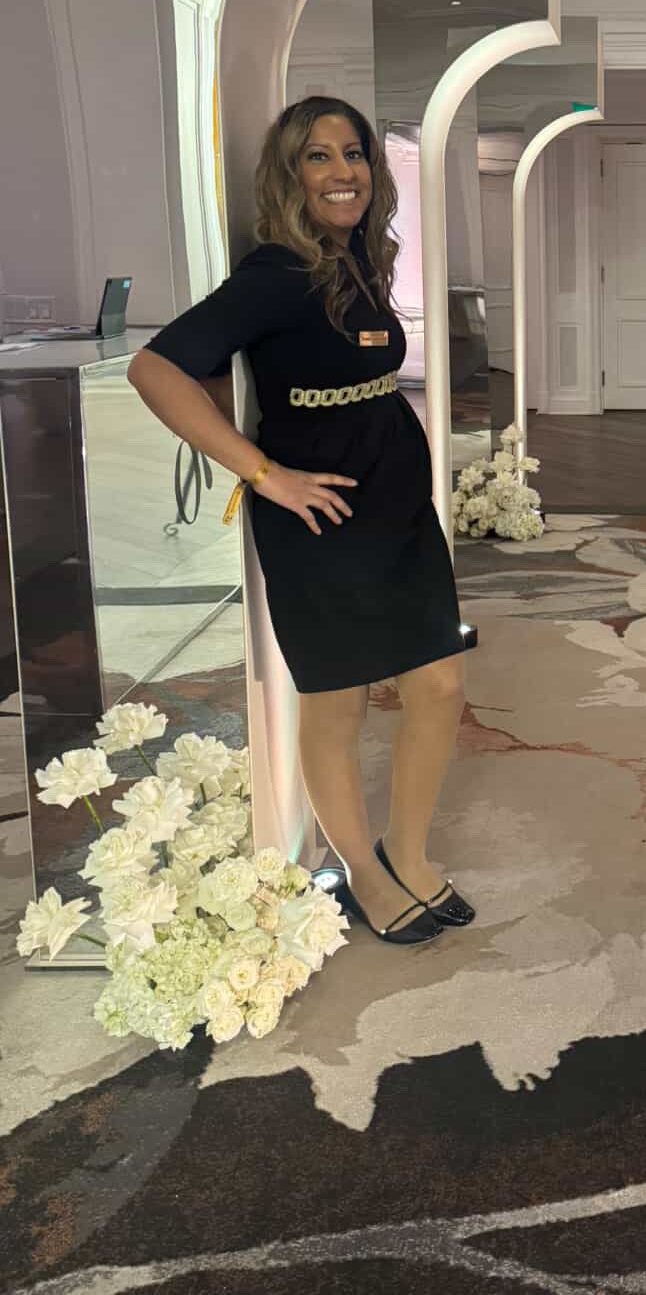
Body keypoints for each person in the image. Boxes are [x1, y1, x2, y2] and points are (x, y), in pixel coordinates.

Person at [128, 97, 474, 946]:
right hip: (320, 519)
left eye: (353, 154)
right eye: (318, 157)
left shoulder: (355, 259)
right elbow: (156, 369)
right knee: (338, 699)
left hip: (395, 504)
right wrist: (263, 473)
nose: (342, 172)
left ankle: (408, 852)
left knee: (439, 684)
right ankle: (362, 873)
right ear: (291, 175)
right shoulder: (275, 275)